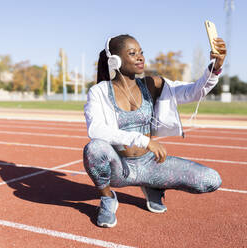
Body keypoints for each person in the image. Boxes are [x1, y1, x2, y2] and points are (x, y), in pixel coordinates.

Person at [83, 34, 226, 228]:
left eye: (141, 53)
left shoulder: (152, 85)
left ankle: (153, 185)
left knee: (211, 180)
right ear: (115, 60)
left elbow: (193, 91)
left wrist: (215, 68)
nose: (140, 57)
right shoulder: (99, 92)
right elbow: (96, 129)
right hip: (121, 169)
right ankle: (108, 198)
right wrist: (144, 140)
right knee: (94, 148)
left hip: (151, 165)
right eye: (133, 53)